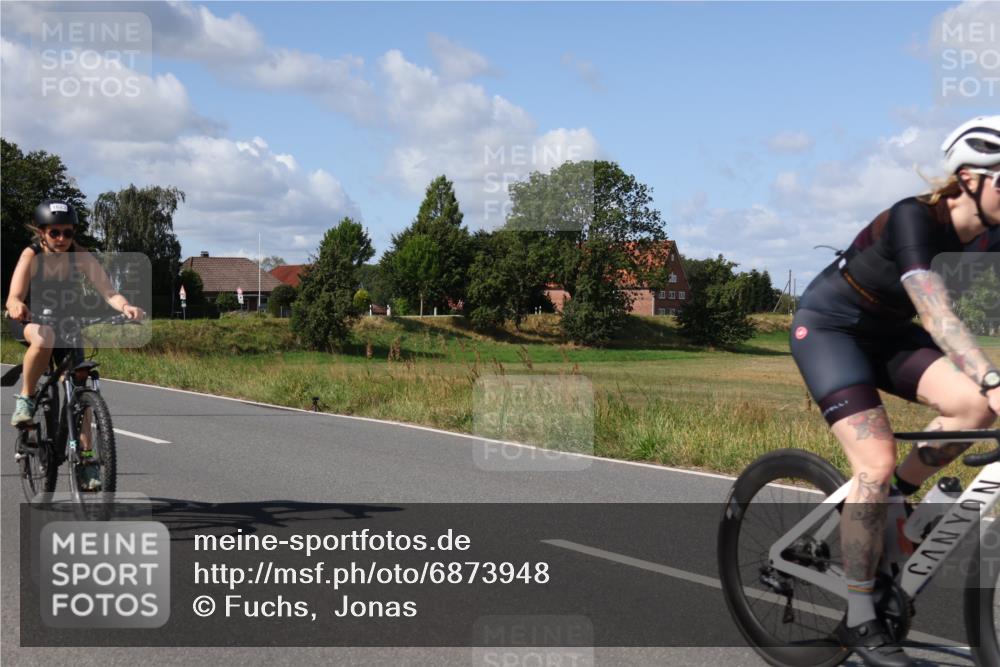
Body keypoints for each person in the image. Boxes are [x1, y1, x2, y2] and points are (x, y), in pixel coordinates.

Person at [790, 116, 1000, 667]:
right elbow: (934, 310)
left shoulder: (992, 235)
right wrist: (993, 376)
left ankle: (899, 502)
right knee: (875, 463)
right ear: (968, 179)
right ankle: (860, 618)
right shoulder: (915, 217)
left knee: (970, 409)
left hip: (888, 335)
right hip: (831, 328)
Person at [5, 200, 143, 485]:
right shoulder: (31, 255)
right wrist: (17, 305)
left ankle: (87, 461)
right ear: (41, 232)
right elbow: (14, 296)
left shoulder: (80, 256)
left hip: (66, 323)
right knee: (44, 339)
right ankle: (27, 399)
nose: (62, 239)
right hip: (30, 320)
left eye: (67, 233)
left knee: (82, 390)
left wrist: (126, 306)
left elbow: (108, 291)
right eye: (55, 232)